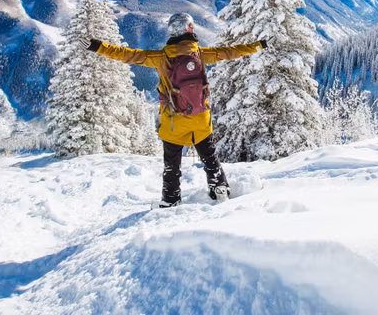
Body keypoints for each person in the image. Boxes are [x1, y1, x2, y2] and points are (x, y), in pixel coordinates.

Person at [79, 12, 266, 208]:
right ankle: (219, 188)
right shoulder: (201, 54)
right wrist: (258, 45)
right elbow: (232, 51)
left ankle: (170, 200)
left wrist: (97, 46)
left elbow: (127, 55)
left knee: (172, 166)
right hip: (201, 118)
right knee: (210, 158)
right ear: (190, 29)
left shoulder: (160, 58)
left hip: (173, 121)